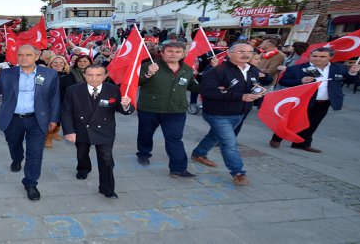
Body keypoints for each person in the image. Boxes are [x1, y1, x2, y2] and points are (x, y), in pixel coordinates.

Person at [0, 44, 60, 201]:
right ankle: (17, 158)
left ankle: (30, 183)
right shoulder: (6, 73)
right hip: (12, 119)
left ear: (36, 56)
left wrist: (54, 118)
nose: (24, 58)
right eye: (20, 55)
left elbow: (54, 98)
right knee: (14, 144)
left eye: (28, 55)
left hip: (37, 119)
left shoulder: (50, 74)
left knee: (35, 152)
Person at [190, 43, 265, 186]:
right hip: (218, 113)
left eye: (250, 51)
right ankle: (238, 172)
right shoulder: (217, 71)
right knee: (229, 143)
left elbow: (253, 85)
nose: (246, 54)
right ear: (229, 54)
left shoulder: (253, 70)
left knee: (215, 135)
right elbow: (207, 92)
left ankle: (199, 153)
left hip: (240, 112)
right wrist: (240, 96)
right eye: (241, 51)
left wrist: (258, 90)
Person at [61, 64, 134, 198]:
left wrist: (126, 105)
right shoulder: (73, 90)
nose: (94, 78)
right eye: (90, 75)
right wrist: (69, 131)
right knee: (82, 153)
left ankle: (107, 189)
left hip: (105, 130)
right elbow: (66, 112)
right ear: (84, 75)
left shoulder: (113, 90)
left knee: (106, 160)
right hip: (82, 129)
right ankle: (83, 169)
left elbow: (124, 110)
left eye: (99, 75)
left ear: (105, 76)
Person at [269, 47, 360, 152]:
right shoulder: (297, 68)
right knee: (290, 121)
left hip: (323, 102)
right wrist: (300, 80)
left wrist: (352, 73)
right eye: (315, 56)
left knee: (313, 123)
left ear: (330, 57)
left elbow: (351, 81)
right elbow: (283, 81)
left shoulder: (339, 68)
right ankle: (277, 139)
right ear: (310, 56)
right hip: (302, 101)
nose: (318, 59)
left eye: (322, 56)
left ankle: (302, 143)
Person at [136, 42, 200, 177]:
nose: (174, 54)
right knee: (145, 134)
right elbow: (135, 82)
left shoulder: (187, 69)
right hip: (150, 109)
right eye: (170, 51)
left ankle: (178, 168)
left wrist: (212, 83)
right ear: (162, 53)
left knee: (174, 139)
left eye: (178, 52)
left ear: (183, 54)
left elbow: (193, 86)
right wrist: (148, 74)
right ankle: (143, 153)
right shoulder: (149, 66)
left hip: (175, 111)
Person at [44, 55, 72, 148]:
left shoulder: (69, 75)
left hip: (64, 102)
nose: (58, 64)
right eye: (55, 62)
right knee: (51, 119)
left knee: (59, 120)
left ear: (64, 64)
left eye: (61, 62)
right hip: (49, 102)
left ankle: (55, 132)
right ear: (51, 64)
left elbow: (73, 89)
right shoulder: (45, 74)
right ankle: (48, 137)